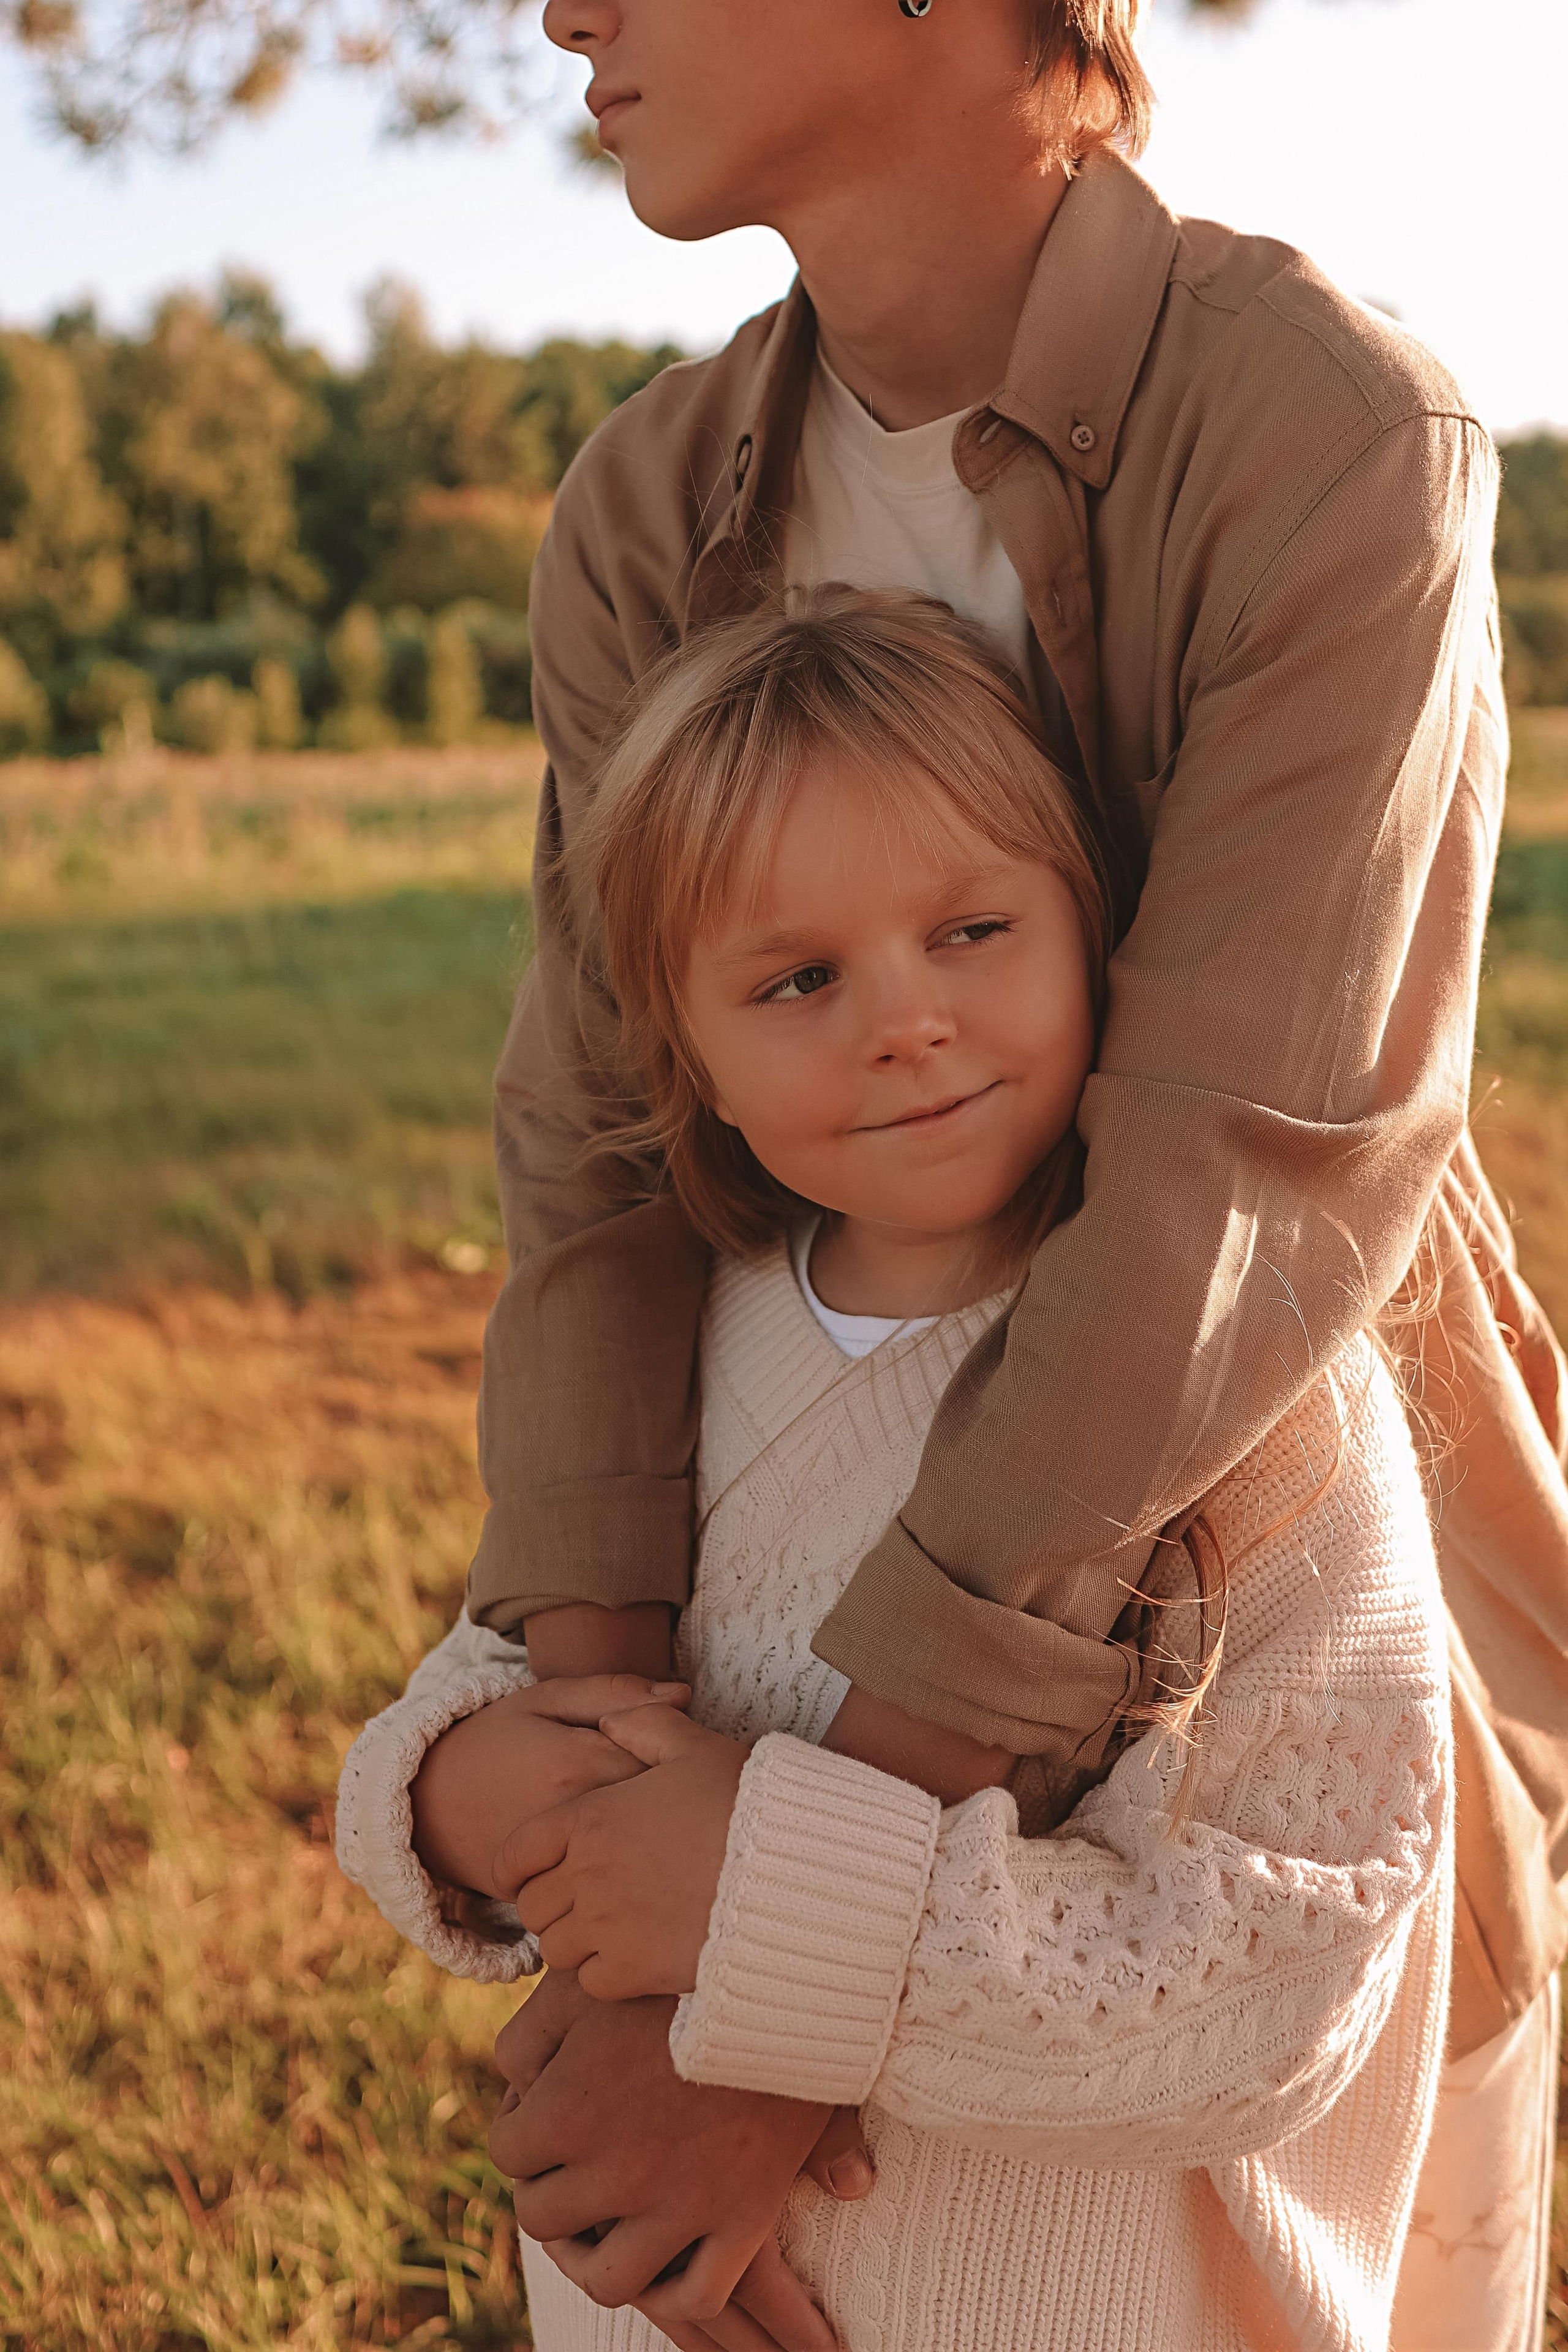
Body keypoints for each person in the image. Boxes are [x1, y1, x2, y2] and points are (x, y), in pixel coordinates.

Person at [459, 3, 1567, 2343]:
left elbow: (1237, 1191)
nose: (558, 9)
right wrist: (608, 1834)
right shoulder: (647, 511)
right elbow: (598, 1154)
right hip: (786, 1539)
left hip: (1257, 1557)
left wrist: (760, 1971)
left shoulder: (1328, 432)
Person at [338, 591, 1457, 2351]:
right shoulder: (680, 1358)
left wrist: (775, 1914)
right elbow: (484, 1676)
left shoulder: (1266, 1408)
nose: (905, 1022)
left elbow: (1287, 1968)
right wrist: (458, 1799)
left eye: (972, 929)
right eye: (798, 979)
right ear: (681, 1048)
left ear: (1098, 926)